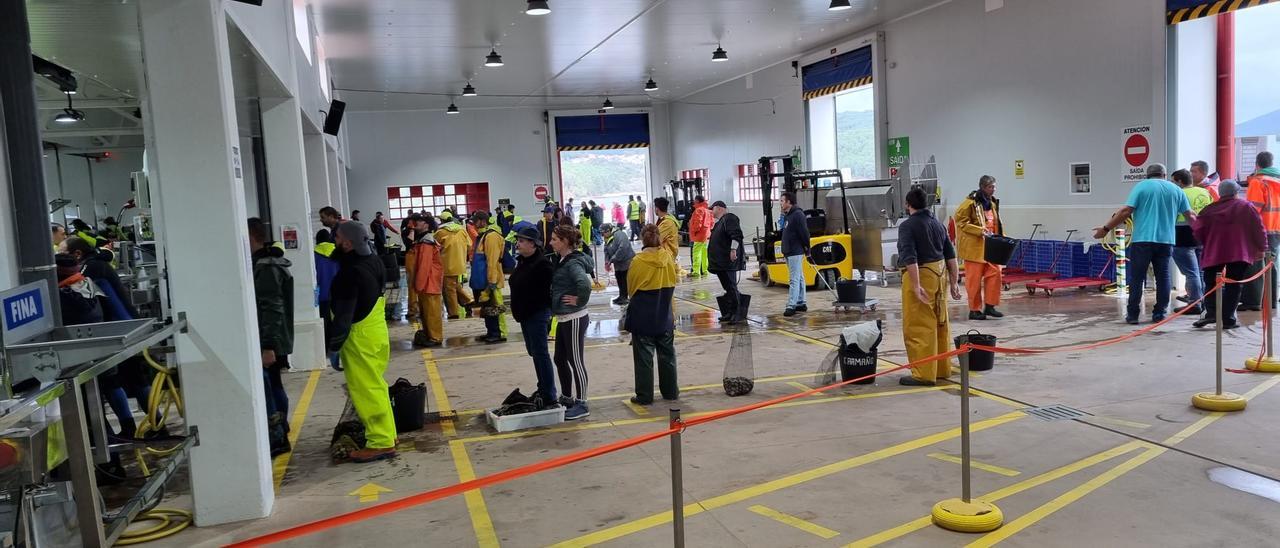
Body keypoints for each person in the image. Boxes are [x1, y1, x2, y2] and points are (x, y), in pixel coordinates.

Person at [328, 221, 398, 462]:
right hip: (377, 332)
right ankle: (388, 433)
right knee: (377, 386)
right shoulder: (375, 261)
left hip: (359, 337)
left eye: (336, 237)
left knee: (367, 390)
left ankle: (380, 442)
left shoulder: (349, 273)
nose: (334, 241)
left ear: (347, 242)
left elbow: (344, 315)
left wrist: (335, 345)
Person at [1093, 163, 1194, 324]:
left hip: (1142, 240)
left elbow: (1126, 211)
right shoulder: (1176, 190)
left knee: (1137, 277)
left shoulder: (1141, 187)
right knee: (1163, 277)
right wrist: (1204, 235)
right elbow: (1191, 216)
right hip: (1166, 241)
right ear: (1164, 174)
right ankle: (1159, 313)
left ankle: (1133, 315)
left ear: (1147, 175)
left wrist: (1105, 229)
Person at [897, 187, 962, 386]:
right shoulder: (937, 224)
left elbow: (910, 257)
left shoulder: (907, 226)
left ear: (908, 205)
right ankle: (942, 368)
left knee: (919, 326)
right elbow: (951, 255)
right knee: (940, 323)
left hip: (922, 276)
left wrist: (916, 286)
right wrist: (954, 283)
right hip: (940, 275)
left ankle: (923, 373)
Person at [248, 217, 294, 457]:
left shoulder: (266, 267)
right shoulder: (268, 262)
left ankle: (277, 436)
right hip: (274, 336)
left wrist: (268, 345)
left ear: (252, 237)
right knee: (273, 382)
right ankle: (281, 429)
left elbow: (272, 307)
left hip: (270, 338)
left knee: (270, 384)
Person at [1193, 181, 1266, 329]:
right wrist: (1262, 248)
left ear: (1220, 193)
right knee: (1234, 285)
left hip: (1214, 253)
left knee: (1211, 283)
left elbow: (1198, 231)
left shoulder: (1209, 210)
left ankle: (1212, 313)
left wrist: (1208, 241)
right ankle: (1228, 319)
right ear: (1236, 192)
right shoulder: (1246, 207)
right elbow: (1258, 228)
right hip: (1239, 253)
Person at [626, 224, 679, 405]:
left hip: (643, 314)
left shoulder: (637, 261)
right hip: (665, 311)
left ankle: (644, 395)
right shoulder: (669, 257)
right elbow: (675, 280)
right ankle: (671, 392)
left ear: (643, 239)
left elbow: (631, 289)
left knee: (643, 358)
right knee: (668, 355)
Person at [509, 226, 558, 405]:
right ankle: (543, 387)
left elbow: (545, 294)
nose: (518, 244)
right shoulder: (522, 261)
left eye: (521, 241)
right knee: (534, 352)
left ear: (533, 244)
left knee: (540, 353)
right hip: (525, 315)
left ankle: (549, 394)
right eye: (518, 240)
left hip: (536, 315)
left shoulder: (542, 264)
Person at [549, 225, 594, 420]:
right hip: (564, 317)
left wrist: (579, 299)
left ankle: (582, 403)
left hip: (574, 317)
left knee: (576, 361)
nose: (551, 242)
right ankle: (567, 397)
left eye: (554, 239)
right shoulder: (563, 259)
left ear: (565, 242)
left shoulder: (572, 263)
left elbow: (584, 284)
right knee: (560, 358)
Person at [953, 175, 1005, 320]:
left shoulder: (992, 203)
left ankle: (990, 306)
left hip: (991, 247)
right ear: (982, 187)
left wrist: (1002, 238)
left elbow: (997, 223)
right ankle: (974, 310)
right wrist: (979, 230)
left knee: (995, 274)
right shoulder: (969, 203)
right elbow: (961, 222)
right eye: (990, 187)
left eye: (994, 186)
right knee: (974, 281)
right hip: (974, 249)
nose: (993, 189)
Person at [65, 236, 137, 320]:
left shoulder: (93, 265)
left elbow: (75, 294)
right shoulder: (93, 261)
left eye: (62, 253)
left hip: (123, 321)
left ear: (77, 254)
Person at [1171, 169, 1211, 314]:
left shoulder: (1179, 194)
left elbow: (1171, 214)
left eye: (1173, 181)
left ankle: (1195, 303)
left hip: (1182, 235)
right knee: (1200, 271)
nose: (1172, 184)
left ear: (1180, 181)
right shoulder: (1204, 192)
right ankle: (1204, 300)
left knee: (1191, 272)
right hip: (1201, 234)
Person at [1245, 151, 1280, 309]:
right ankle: (1271, 301)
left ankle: (1254, 302)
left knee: (1257, 264)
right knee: (1271, 264)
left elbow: (1253, 210)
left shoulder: (1258, 181)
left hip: (1264, 229)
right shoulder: (1277, 179)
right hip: (1277, 228)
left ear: (1257, 164)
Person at [470, 211, 508, 343]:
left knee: (494, 307)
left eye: (476, 222)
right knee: (486, 307)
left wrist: (491, 281)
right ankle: (490, 331)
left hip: (490, 280)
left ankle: (497, 333)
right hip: (482, 279)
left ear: (482, 221)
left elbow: (492, 261)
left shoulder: (491, 236)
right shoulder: (483, 236)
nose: (474, 225)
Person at [708, 200, 748, 324]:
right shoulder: (720, 222)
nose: (711, 211)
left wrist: (733, 250)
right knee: (728, 288)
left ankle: (737, 313)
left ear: (719, 208)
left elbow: (736, 235)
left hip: (728, 262)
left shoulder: (729, 218)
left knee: (731, 287)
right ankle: (730, 312)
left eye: (713, 208)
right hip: (721, 263)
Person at [409, 215, 444, 347]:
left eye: (420, 221)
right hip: (428, 282)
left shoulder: (426, 242)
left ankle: (435, 337)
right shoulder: (423, 240)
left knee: (432, 312)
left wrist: (418, 285)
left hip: (429, 282)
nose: (416, 222)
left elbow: (424, 265)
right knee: (428, 312)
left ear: (427, 225)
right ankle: (431, 335)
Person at [435, 210, 474, 318]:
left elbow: (434, 248)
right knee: (454, 285)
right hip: (460, 264)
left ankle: (453, 313)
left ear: (442, 220)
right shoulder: (462, 230)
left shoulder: (440, 232)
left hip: (447, 264)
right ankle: (468, 300)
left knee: (449, 289)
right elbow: (470, 245)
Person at [780, 192, 811, 317]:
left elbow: (804, 233)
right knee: (799, 277)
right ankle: (801, 302)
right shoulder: (788, 215)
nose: (781, 203)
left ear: (789, 202)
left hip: (795, 251)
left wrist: (807, 249)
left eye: (782, 201)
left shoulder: (798, 215)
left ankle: (791, 305)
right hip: (789, 251)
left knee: (794, 279)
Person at [315, 229, 341, 370]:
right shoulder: (337, 252)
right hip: (338, 294)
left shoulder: (314, 254)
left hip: (322, 295)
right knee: (338, 320)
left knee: (325, 322)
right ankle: (338, 346)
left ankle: (326, 348)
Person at [602, 224, 635, 305]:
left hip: (626, 260)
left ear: (609, 230)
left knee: (625, 279)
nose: (603, 235)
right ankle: (621, 296)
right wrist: (607, 261)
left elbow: (623, 248)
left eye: (603, 233)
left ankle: (625, 297)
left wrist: (613, 258)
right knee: (619, 278)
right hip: (618, 263)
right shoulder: (607, 237)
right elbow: (606, 250)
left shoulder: (620, 235)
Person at [688, 195, 713, 278]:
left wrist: (694, 231)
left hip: (698, 235)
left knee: (696, 253)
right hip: (706, 235)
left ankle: (696, 271)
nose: (693, 202)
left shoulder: (698, 210)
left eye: (694, 200)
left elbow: (698, 222)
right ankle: (705, 270)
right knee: (704, 253)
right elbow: (712, 223)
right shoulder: (708, 211)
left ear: (697, 201)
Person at [654, 197, 680, 261]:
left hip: (667, 254)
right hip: (668, 253)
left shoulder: (667, 222)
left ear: (657, 209)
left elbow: (656, 239)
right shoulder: (667, 218)